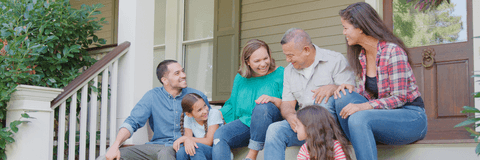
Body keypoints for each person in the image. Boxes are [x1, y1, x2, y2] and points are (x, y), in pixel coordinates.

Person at [333, 2, 428, 160]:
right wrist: (352, 89)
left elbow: (400, 98)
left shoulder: (393, 51)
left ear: (360, 27)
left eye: (345, 27)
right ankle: (363, 142)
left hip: (411, 117)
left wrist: (363, 106)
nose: (344, 33)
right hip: (383, 117)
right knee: (343, 97)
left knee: (358, 116)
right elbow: (369, 96)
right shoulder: (362, 56)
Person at [263, 28, 355, 160]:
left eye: (290, 55)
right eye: (286, 55)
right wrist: (290, 116)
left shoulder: (335, 60)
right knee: (274, 129)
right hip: (303, 126)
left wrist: (334, 87)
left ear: (306, 50)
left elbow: (350, 93)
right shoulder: (289, 71)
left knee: (324, 102)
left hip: (329, 129)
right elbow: (287, 103)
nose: (287, 60)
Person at [100, 60, 211, 160]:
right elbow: (132, 122)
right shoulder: (152, 96)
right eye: (177, 73)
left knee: (165, 153)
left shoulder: (196, 96)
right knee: (107, 157)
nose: (183, 75)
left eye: (182, 71)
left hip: (184, 146)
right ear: (165, 80)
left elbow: (211, 124)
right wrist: (115, 146)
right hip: (156, 145)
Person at [212, 39, 284, 160]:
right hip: (247, 123)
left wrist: (272, 99)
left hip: (271, 123)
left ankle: (251, 156)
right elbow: (232, 103)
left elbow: (291, 104)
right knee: (220, 135)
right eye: (257, 61)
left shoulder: (281, 73)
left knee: (262, 107)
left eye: (266, 58)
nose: (263, 64)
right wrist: (214, 114)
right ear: (248, 62)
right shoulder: (241, 78)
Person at [174, 93, 224, 160]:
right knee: (181, 151)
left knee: (196, 148)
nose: (205, 111)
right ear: (189, 114)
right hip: (201, 152)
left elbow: (209, 141)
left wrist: (184, 138)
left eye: (205, 105)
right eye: (199, 110)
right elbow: (188, 140)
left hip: (217, 151)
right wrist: (186, 139)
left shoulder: (214, 113)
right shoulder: (188, 118)